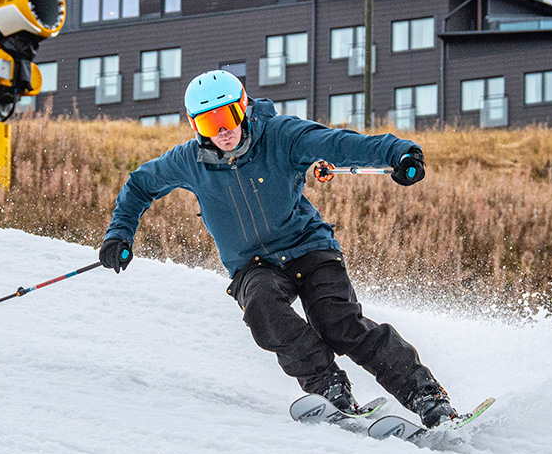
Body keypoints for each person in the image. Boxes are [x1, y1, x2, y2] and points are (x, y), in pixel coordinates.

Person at [100, 69, 457, 427]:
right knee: (262, 308)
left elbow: (339, 143)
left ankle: (426, 397)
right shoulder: (189, 162)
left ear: (243, 108)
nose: (222, 131)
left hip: (308, 246)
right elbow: (140, 184)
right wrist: (120, 234)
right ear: (195, 127)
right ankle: (329, 388)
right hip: (252, 266)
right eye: (208, 124)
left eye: (226, 117)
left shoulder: (282, 136)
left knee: (339, 323)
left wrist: (399, 153)